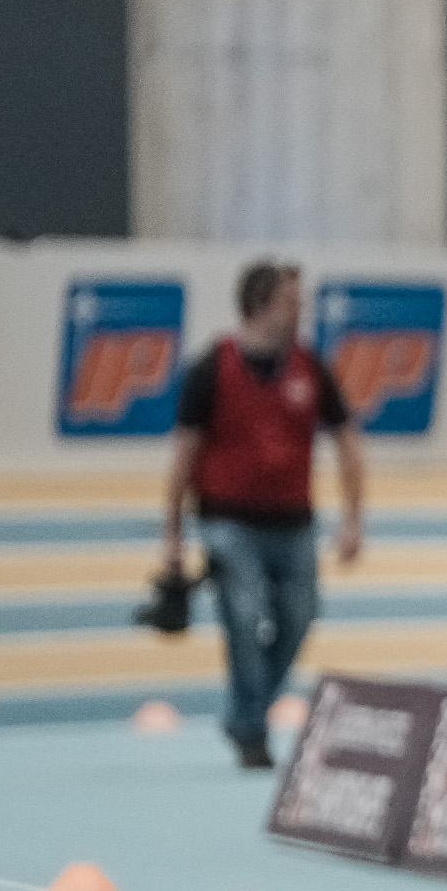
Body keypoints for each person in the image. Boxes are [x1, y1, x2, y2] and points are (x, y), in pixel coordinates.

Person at [161, 261, 366, 769]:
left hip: (293, 522)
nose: (301, 312)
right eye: (291, 302)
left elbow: (347, 443)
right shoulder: (210, 369)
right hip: (228, 520)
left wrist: (353, 519)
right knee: (246, 616)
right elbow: (183, 459)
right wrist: (173, 539)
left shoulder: (311, 368)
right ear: (260, 306)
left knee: (299, 616)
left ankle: (246, 712)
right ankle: (251, 726)